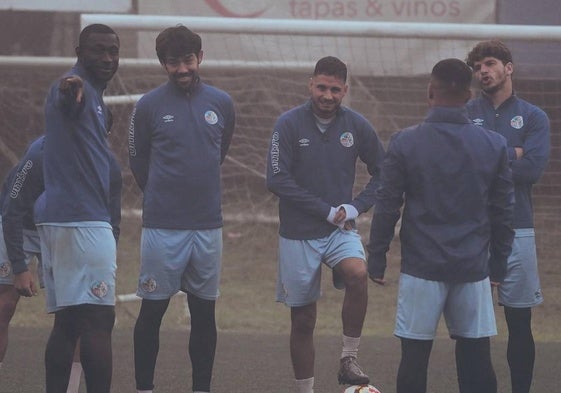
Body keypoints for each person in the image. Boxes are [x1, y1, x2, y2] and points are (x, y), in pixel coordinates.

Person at [367, 58, 515, 393]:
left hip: (422, 267)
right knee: (477, 360)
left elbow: (388, 205)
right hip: (473, 268)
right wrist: (499, 265)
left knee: (415, 359)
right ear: (468, 96)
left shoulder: (405, 142)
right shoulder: (494, 144)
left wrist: (377, 256)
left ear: (429, 92)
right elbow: (504, 213)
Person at [266, 56, 385, 393]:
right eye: (322, 87)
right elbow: (276, 179)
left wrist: (356, 206)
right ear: (310, 84)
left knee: (358, 274)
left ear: (345, 90)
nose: (328, 95)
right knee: (303, 320)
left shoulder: (357, 125)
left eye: (335, 89)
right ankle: (305, 390)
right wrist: (324, 210)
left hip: (339, 231)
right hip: (298, 234)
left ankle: (349, 359)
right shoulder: (287, 124)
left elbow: (385, 171)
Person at [128, 25, 235, 393]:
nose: (182, 69)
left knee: (204, 315)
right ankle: (145, 388)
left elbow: (217, 153)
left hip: (208, 227)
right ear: (163, 64)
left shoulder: (221, 103)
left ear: (200, 58)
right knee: (152, 312)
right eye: (173, 63)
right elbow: (137, 160)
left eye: (188, 60)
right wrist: (162, 194)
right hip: (162, 228)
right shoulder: (149, 105)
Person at [35, 23, 121, 393]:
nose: (107, 58)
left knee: (68, 323)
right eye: (98, 50)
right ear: (78, 50)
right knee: (99, 322)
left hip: (58, 219)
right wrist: (71, 90)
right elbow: (68, 97)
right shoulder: (72, 86)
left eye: (112, 51)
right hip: (81, 220)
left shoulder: (98, 97)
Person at [465, 40, 551, 393]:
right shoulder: (465, 113)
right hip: (472, 232)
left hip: (519, 230)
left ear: (508, 67)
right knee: (473, 325)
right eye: (477, 67)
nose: (483, 71)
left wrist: (485, 156)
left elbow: (531, 169)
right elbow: (459, 168)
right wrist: (510, 152)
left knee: (519, 321)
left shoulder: (533, 117)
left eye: (489, 64)